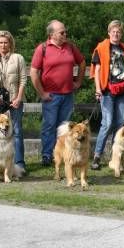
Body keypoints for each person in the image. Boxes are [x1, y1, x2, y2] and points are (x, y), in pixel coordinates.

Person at [30, 20, 86, 166]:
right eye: (62, 32)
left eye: (65, 31)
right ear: (52, 34)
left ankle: (62, 154)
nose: (65, 34)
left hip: (67, 95)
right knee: (49, 126)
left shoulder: (70, 47)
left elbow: (82, 62)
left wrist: (78, 82)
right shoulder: (42, 49)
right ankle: (47, 155)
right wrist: (42, 93)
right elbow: (34, 72)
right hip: (51, 96)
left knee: (64, 127)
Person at [89, 20, 124, 170]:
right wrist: (98, 88)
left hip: (123, 91)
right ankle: (97, 156)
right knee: (107, 123)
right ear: (109, 32)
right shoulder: (101, 48)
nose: (116, 34)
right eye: (114, 31)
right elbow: (97, 70)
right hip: (107, 90)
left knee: (119, 125)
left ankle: (116, 158)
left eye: (119, 32)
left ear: (121, 34)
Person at [0, 30, 27, 173]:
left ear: (10, 43)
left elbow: (23, 80)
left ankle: (19, 163)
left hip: (14, 100)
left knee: (17, 131)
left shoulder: (18, 58)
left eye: (6, 42)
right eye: (0, 42)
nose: (3, 45)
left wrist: (19, 98)